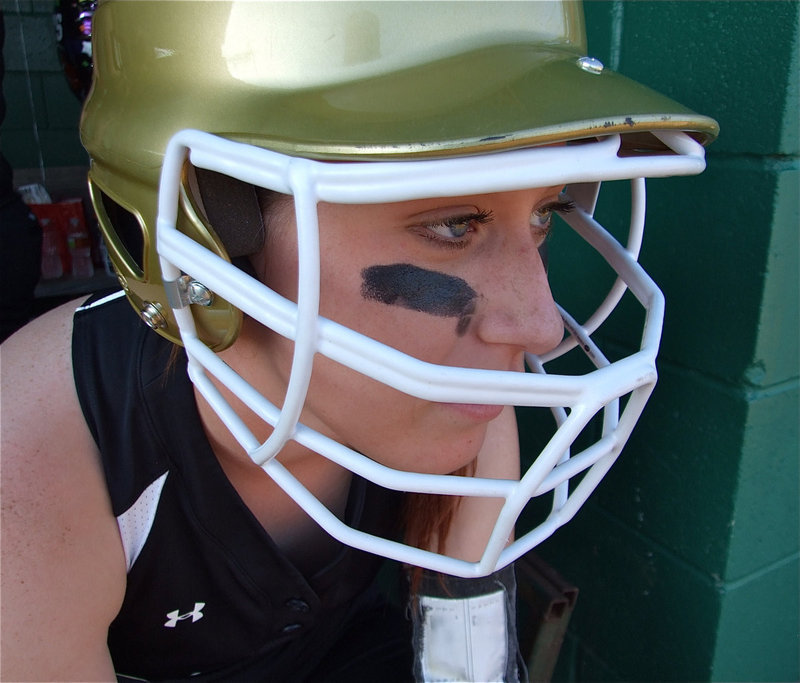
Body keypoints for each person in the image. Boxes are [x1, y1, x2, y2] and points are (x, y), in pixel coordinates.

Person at [0, 2, 718, 681]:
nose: (538, 327)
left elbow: (460, 665)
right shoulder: (35, 478)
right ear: (210, 226)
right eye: (454, 223)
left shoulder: (459, 402)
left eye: (544, 214)